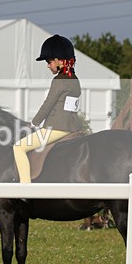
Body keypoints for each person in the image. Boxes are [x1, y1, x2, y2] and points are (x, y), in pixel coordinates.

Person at [13, 35, 83, 184]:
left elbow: (48, 104)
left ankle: (25, 187)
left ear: (59, 60)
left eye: (49, 61)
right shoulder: (74, 80)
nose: (48, 65)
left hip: (56, 128)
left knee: (19, 148)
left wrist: (34, 123)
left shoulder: (59, 81)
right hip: (73, 126)